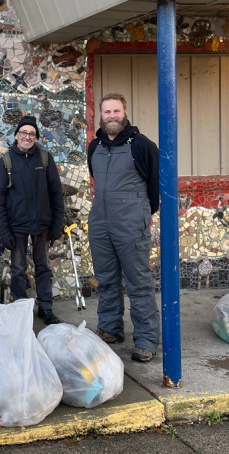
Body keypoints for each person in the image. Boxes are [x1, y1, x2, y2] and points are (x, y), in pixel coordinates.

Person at [87, 93, 160, 363]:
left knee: (138, 282)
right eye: (107, 112)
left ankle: (146, 339)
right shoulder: (94, 147)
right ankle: (110, 328)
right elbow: (97, 180)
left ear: (125, 112)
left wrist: (139, 214)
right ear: (101, 116)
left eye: (116, 111)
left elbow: (155, 186)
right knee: (105, 279)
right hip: (100, 220)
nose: (112, 116)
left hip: (130, 221)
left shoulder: (142, 146)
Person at [0, 115, 65, 325]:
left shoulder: (44, 159)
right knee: (18, 269)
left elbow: (56, 194)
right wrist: (4, 232)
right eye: (24, 132)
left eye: (32, 133)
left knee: (43, 267)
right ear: (16, 135)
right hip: (17, 227)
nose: (27, 136)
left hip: (42, 225)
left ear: (36, 137)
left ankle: (46, 308)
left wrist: (56, 225)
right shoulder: (5, 162)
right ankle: (21, 310)